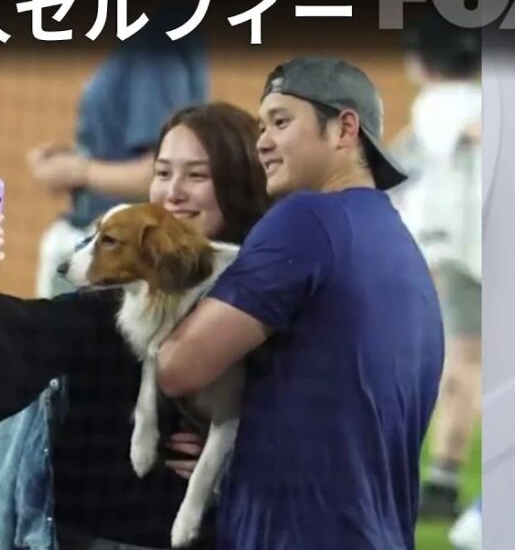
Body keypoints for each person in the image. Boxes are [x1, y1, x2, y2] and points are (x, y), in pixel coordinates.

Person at [0, 102, 271, 550]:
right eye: (163, 172)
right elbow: (46, 331)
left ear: (238, 182)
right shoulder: (114, 287)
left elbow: (325, 421)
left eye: (197, 175)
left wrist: (243, 460)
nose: (173, 192)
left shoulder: (272, 293)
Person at [154, 57, 445, 549]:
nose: (262, 140)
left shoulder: (306, 220)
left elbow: (179, 367)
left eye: (281, 122)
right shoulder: (401, 248)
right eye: (262, 125)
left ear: (344, 129)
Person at [0, 12, 210, 550]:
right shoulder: (171, 38)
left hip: (113, 268)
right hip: (117, 261)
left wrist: (77, 172)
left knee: (54, 430)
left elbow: (154, 170)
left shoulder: (156, 41)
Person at [399, 12, 483, 520]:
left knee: (459, 361)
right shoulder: (465, 103)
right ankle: (441, 481)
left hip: (452, 251)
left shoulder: (440, 104)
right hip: (461, 251)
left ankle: (442, 483)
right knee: (461, 361)